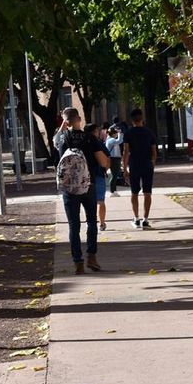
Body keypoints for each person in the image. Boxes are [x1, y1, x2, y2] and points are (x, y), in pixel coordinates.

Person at [54, 108, 109, 273]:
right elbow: (103, 162)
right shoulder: (89, 138)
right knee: (91, 221)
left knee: (73, 225)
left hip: (69, 188)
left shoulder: (61, 139)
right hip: (88, 185)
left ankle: (78, 262)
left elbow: (56, 141)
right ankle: (91, 256)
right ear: (79, 119)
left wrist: (64, 123)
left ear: (66, 122)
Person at [122, 108, 157, 230]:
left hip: (134, 164)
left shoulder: (128, 133)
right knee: (147, 192)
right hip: (147, 164)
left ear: (132, 120)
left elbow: (126, 151)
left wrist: (124, 168)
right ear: (142, 118)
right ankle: (145, 220)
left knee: (134, 192)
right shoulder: (149, 132)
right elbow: (154, 152)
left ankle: (136, 218)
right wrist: (152, 163)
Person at [88, 124, 111, 232]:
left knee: (88, 202)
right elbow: (108, 158)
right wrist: (105, 168)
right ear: (95, 131)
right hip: (98, 174)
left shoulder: (83, 143)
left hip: (86, 176)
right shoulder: (99, 144)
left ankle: (90, 223)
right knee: (101, 201)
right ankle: (102, 223)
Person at [105, 125, 124, 196]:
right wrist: (120, 133)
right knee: (114, 175)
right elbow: (120, 141)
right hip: (114, 159)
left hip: (114, 159)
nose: (116, 134)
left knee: (115, 175)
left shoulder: (109, 139)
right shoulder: (111, 140)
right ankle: (112, 191)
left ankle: (113, 191)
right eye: (115, 133)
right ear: (113, 134)